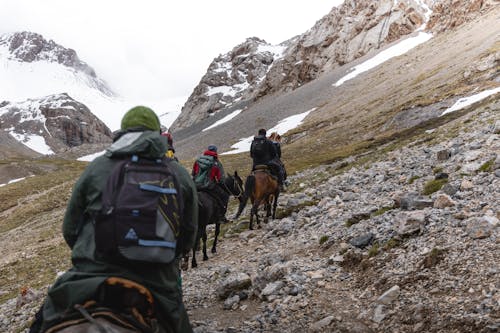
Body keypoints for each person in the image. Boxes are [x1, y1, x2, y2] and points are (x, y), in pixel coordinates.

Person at [30, 106, 198, 333]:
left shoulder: (97, 166)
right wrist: (165, 257)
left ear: (123, 132)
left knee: (46, 316)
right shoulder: (178, 173)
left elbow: (70, 228)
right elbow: (188, 234)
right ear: (157, 134)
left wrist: (88, 256)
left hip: (92, 272)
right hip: (157, 280)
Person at [192, 145, 230, 224]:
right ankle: (221, 216)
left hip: (196, 186)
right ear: (215, 152)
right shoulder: (216, 163)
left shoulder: (198, 161)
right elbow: (221, 179)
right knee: (225, 196)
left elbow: (193, 173)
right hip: (209, 186)